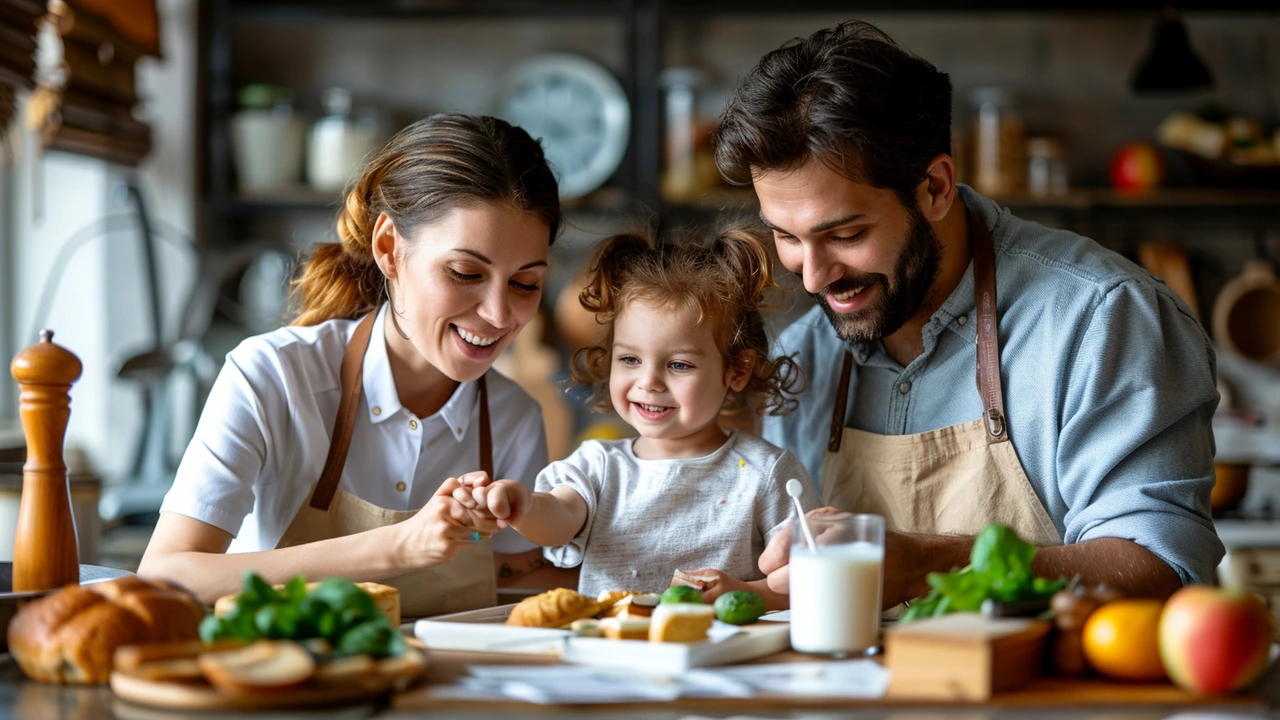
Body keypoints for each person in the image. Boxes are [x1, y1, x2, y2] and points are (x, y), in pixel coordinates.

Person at [712, 21, 1223, 608]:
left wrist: (929, 565)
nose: (813, 276)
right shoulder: (803, 356)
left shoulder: (1102, 321)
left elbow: (1162, 568)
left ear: (934, 187)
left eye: (847, 234)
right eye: (787, 237)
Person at [139, 113, 569, 615]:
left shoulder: (513, 415)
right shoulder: (270, 377)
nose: (498, 315)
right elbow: (167, 574)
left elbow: (521, 585)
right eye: (465, 272)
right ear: (389, 248)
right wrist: (399, 546)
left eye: (525, 284)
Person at [451, 230, 819, 608]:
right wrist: (523, 506)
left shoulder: (769, 473)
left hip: (725, 659)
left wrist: (748, 593)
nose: (648, 382)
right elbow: (559, 516)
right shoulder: (599, 466)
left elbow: (813, 577)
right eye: (629, 359)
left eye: (678, 365)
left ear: (737, 370)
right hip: (613, 654)